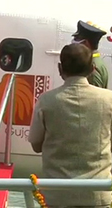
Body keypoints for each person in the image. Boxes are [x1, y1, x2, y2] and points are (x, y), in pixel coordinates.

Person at [28, 43, 112, 207]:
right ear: (92, 69)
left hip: (58, 195)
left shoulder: (47, 101)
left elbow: (36, 145)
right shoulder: (108, 99)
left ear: (60, 69)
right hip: (98, 193)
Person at [71, 20, 108, 88]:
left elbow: (94, 97)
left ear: (86, 43)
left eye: (77, 39)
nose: (73, 41)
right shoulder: (94, 61)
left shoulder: (92, 67)